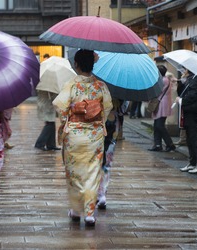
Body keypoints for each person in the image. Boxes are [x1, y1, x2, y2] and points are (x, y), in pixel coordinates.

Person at [53, 49, 113, 227]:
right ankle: (89, 213)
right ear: (92, 64)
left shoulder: (71, 84)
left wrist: (68, 120)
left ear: (76, 65)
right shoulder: (100, 86)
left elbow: (61, 109)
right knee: (93, 172)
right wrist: (94, 116)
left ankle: (76, 210)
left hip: (75, 134)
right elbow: (107, 109)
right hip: (94, 134)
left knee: (74, 172)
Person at [175, 67, 197, 174]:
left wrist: (181, 100)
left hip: (193, 115)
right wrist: (180, 83)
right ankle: (192, 163)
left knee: (194, 139)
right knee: (189, 139)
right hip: (188, 114)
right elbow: (182, 93)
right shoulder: (189, 81)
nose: (182, 71)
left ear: (188, 70)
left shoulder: (194, 81)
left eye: (184, 70)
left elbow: (191, 96)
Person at [97, 98, 121, 210]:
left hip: (98, 121)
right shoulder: (120, 95)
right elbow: (123, 109)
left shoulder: (98, 88)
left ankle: (97, 192)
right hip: (113, 121)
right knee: (106, 164)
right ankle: (102, 194)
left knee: (96, 163)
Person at [148, 65, 176, 152]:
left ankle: (170, 144)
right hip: (162, 103)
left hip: (161, 104)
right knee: (157, 125)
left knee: (159, 125)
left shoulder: (162, 80)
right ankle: (157, 144)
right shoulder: (166, 79)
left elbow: (155, 91)